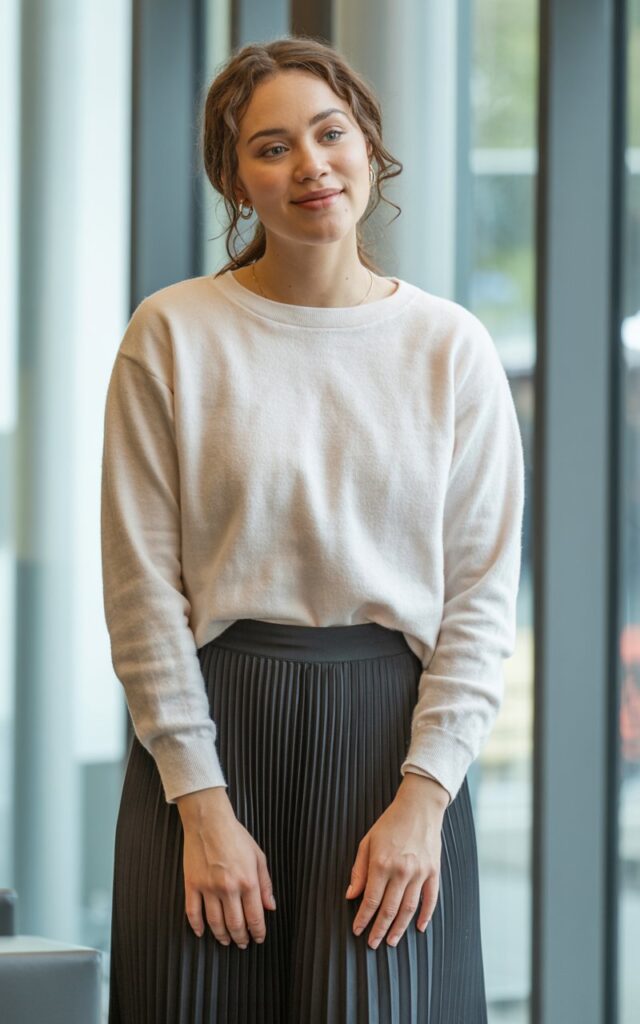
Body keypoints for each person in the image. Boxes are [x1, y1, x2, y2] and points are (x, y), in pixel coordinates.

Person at [101, 34, 525, 1024]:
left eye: (328, 133)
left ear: (368, 145)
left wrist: (424, 800)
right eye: (271, 146)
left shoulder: (448, 349)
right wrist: (198, 803)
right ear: (233, 179)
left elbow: (480, 600)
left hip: (391, 747)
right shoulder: (170, 334)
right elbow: (140, 592)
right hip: (210, 738)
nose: (309, 165)